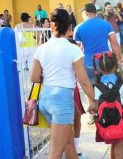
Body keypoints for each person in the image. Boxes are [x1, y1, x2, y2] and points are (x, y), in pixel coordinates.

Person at [30, 8, 95, 159]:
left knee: (68, 142)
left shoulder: (42, 48)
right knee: (55, 151)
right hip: (62, 102)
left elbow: (33, 77)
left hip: (45, 99)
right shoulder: (73, 49)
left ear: (53, 26)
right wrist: (93, 100)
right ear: (70, 27)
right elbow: (84, 81)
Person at [88, 52, 123, 159]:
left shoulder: (98, 86)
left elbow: (95, 107)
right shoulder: (122, 84)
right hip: (120, 121)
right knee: (119, 148)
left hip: (106, 123)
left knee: (114, 146)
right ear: (115, 66)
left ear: (100, 68)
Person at [74, 3, 122, 87]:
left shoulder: (79, 28)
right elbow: (114, 43)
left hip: (89, 63)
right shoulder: (106, 24)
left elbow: (76, 49)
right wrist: (118, 60)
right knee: (109, 87)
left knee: (92, 91)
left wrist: (76, 68)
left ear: (86, 13)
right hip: (106, 62)